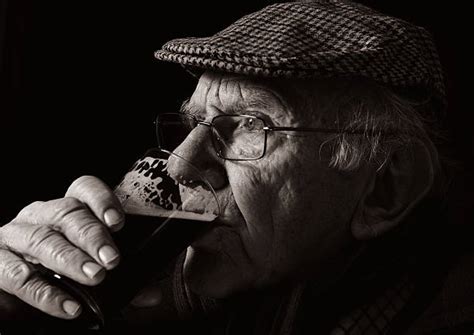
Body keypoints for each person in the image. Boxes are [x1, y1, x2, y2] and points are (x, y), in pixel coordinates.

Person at [0, 1, 472, 334]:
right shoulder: (193, 287)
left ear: (386, 187)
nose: (181, 164)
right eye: (194, 122)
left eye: (250, 125)